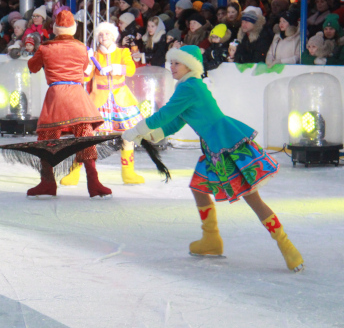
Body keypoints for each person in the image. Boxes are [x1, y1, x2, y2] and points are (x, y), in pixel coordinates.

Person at [123, 45, 304, 273]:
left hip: (226, 144)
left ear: (190, 65)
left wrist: (135, 130)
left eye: (177, 62)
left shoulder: (190, 86)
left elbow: (165, 114)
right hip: (214, 147)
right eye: (172, 62)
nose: (172, 66)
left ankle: (287, 246)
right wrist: (149, 135)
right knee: (199, 187)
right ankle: (211, 239)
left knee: (252, 199)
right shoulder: (189, 86)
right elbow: (176, 121)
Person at [26, 10, 110, 198]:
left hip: (56, 97)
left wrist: (36, 51)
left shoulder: (46, 48)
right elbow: (84, 70)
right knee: (85, 137)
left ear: (55, 29)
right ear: (73, 29)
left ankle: (47, 182)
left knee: (48, 139)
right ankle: (94, 183)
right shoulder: (81, 48)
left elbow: (32, 67)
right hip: (77, 96)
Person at [81, 21, 145, 185]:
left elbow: (131, 69)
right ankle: (77, 171)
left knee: (128, 135)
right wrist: (88, 64)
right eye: (101, 34)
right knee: (88, 135)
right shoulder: (94, 55)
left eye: (107, 33)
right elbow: (85, 78)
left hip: (120, 98)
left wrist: (115, 68)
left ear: (114, 36)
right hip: (99, 98)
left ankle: (128, 173)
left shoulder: (123, 52)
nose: (104, 37)